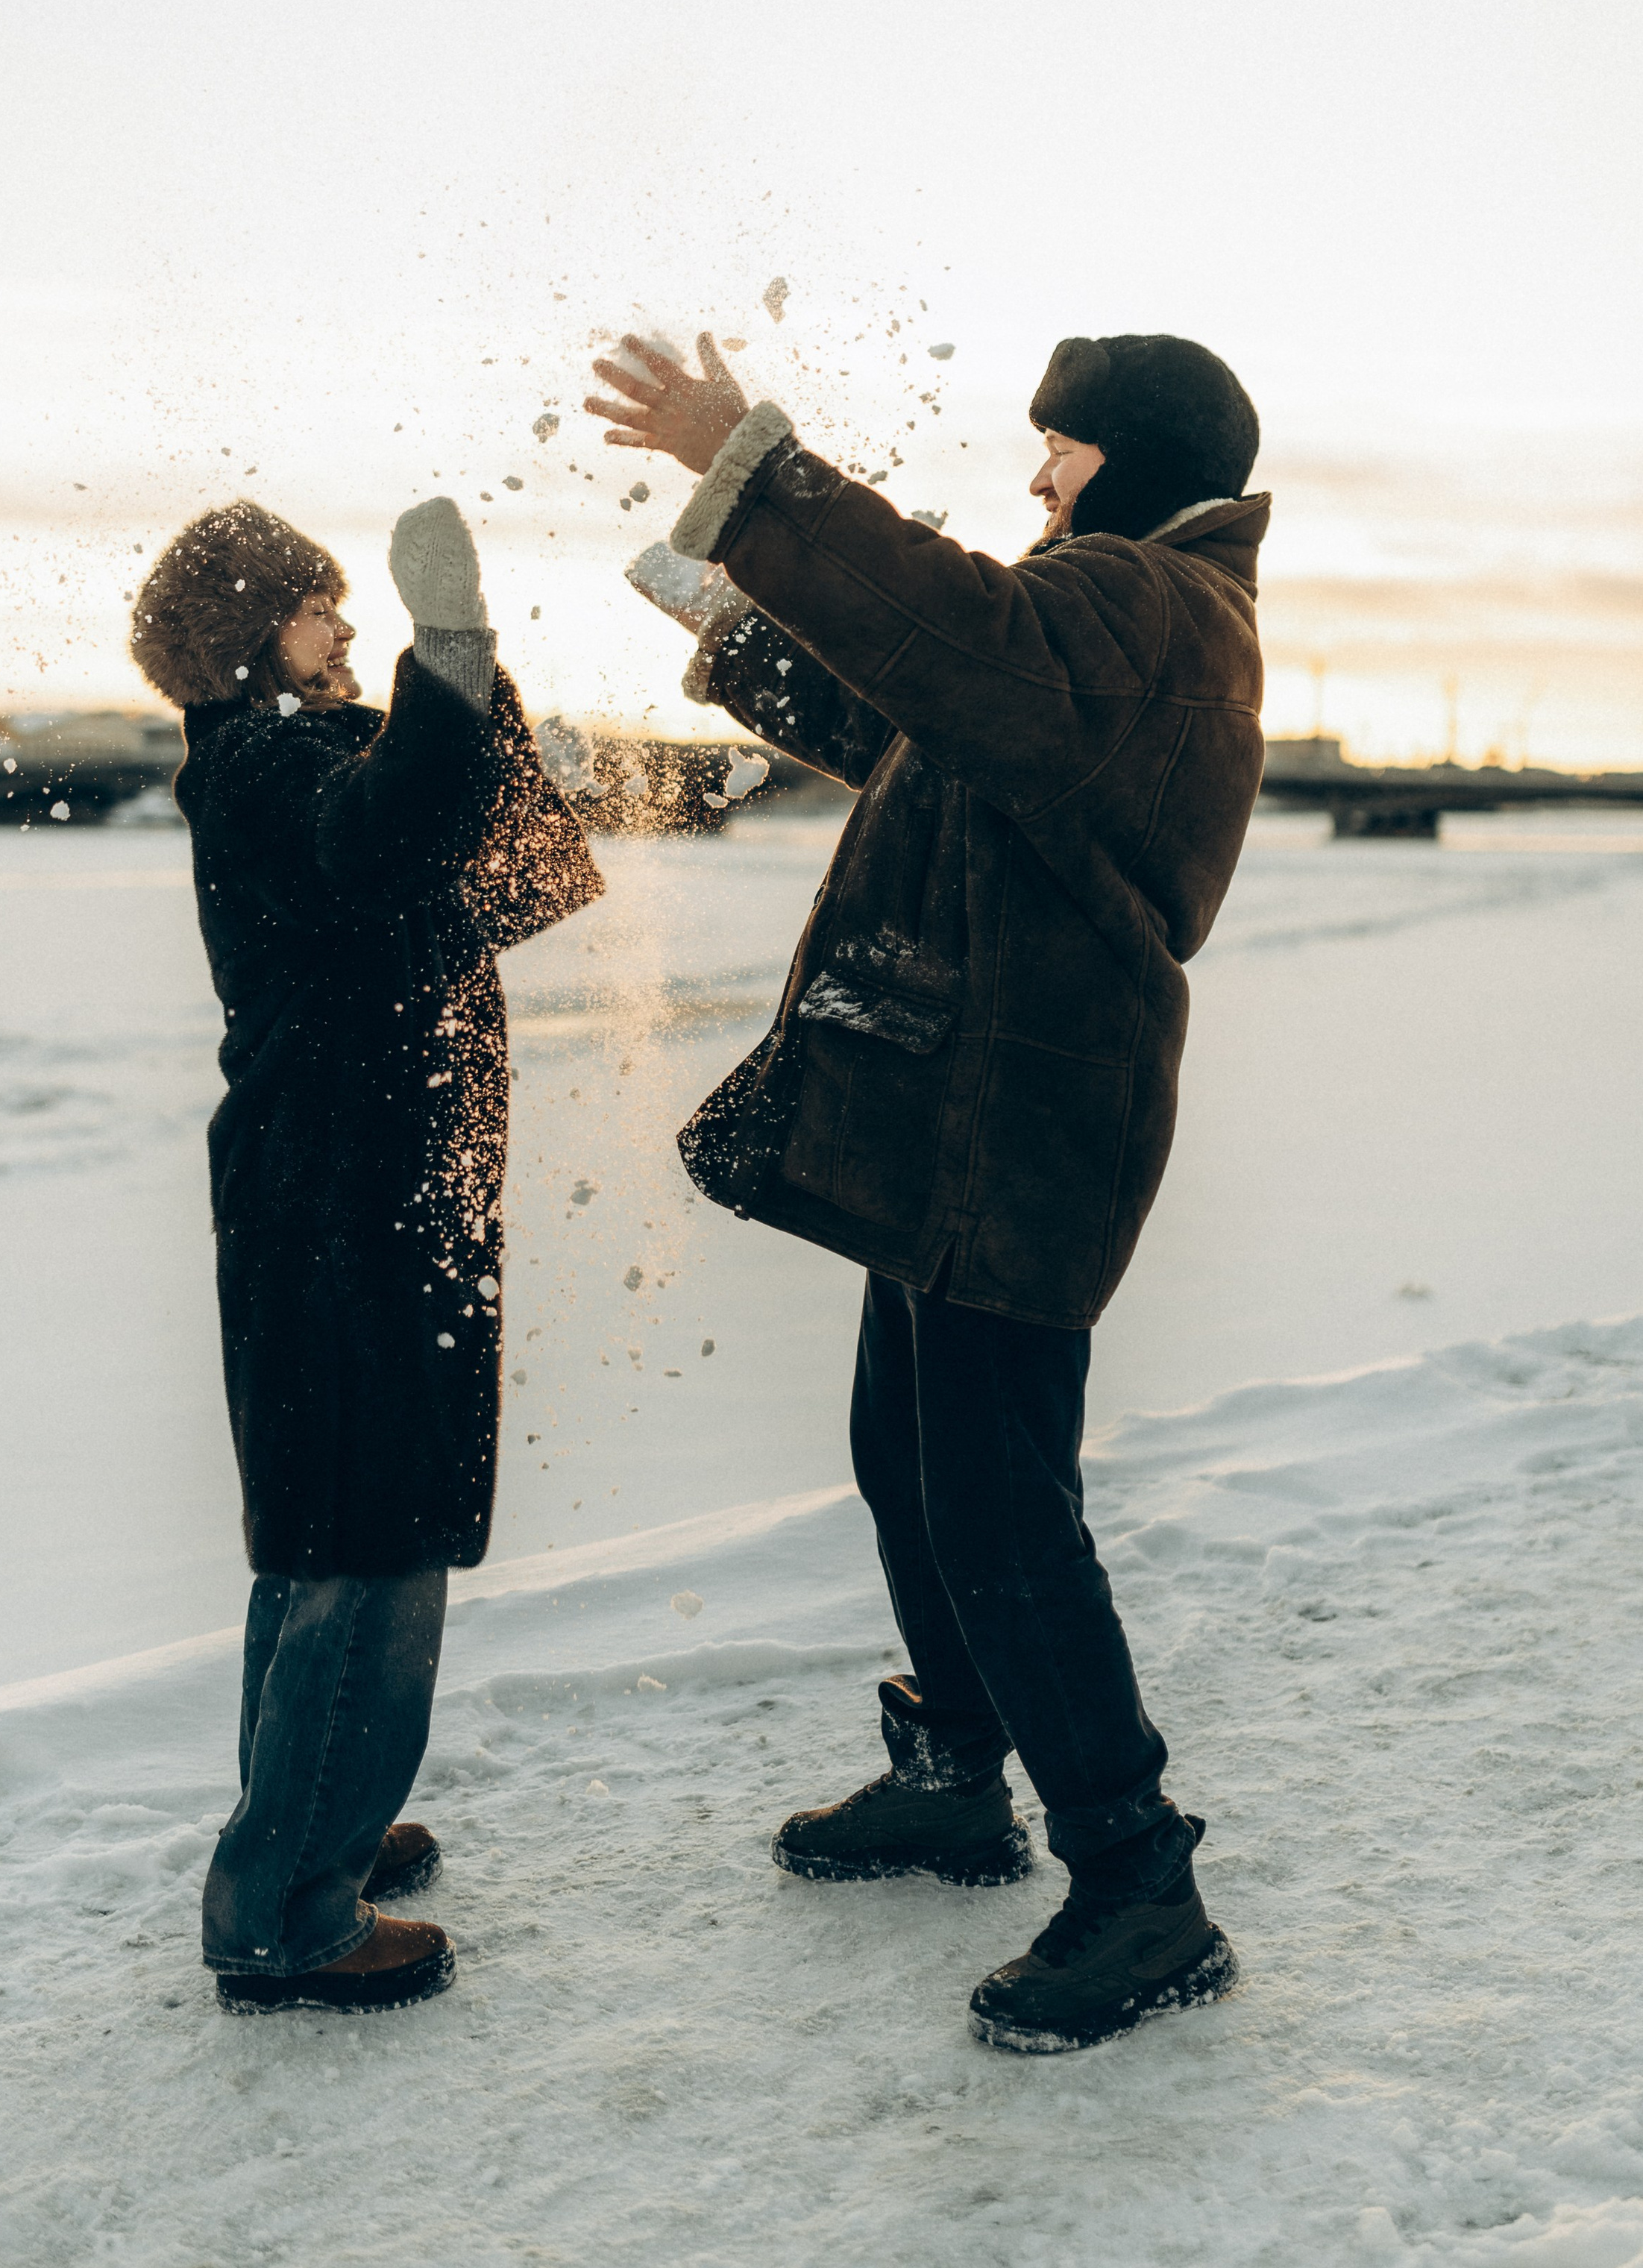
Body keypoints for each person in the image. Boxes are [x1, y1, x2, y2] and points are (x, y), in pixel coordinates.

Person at [592, 328, 1267, 2053]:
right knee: (906, 1464)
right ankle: (959, 1775)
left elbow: (960, 642)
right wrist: (738, 624)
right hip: (970, 1106)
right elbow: (928, 726)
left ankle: (1138, 1885)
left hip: (1026, 1123)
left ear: (1126, 456)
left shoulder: (1147, 603)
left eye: (1055, 447)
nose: (1032, 474)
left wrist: (758, 474)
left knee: (995, 1506)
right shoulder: (1109, 620)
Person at [130, 493, 601, 2014]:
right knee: (364, 1529)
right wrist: (448, 655)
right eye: (319, 606)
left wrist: (476, 695)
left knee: (335, 1521)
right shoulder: (262, 765)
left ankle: (315, 1807)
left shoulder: (309, 749)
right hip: (335, 1193)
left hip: (377, 1185)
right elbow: (391, 837)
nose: (344, 627)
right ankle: (282, 1908)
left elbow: (518, 877)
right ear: (248, 630)